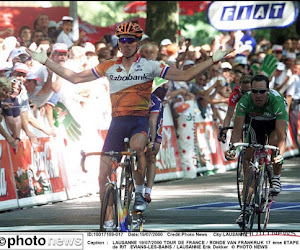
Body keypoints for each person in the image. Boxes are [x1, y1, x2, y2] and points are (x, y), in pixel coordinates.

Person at [26, 21, 234, 229]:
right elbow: (76, 78)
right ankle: (108, 220)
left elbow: (185, 75)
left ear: (138, 44)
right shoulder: (109, 66)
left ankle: (140, 190)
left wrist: (213, 60)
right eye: (122, 40)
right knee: (102, 176)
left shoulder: (150, 66)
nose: (126, 44)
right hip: (117, 123)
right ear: (118, 43)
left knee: (136, 147)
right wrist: (45, 62)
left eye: (130, 41)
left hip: (139, 121)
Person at [224, 75, 288, 225]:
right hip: (256, 124)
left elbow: (281, 136)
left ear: (268, 91)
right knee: (247, 158)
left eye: (262, 91)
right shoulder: (244, 101)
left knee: (275, 147)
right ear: (250, 91)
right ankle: (246, 207)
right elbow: (237, 130)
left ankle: (276, 176)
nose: (258, 95)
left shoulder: (277, 101)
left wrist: (281, 155)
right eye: (254, 91)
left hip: (274, 125)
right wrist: (232, 148)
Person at [218, 74, 252, 143]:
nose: (246, 95)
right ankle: (232, 149)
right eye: (243, 92)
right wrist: (224, 132)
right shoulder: (235, 94)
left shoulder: (258, 94)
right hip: (243, 111)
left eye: (248, 92)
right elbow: (228, 116)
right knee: (237, 126)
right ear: (239, 87)